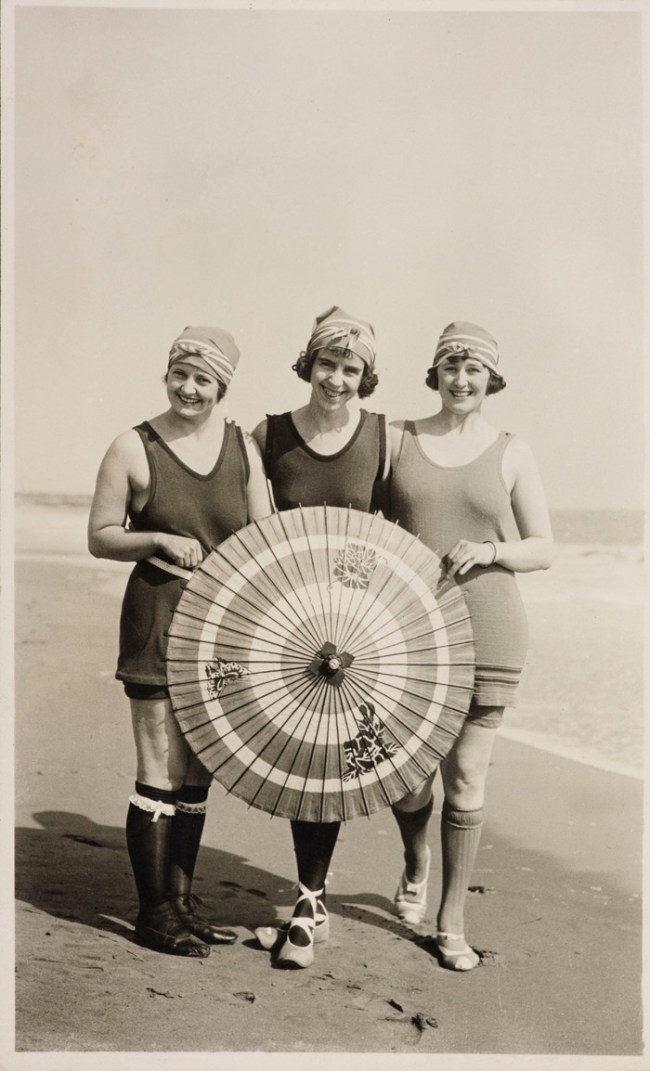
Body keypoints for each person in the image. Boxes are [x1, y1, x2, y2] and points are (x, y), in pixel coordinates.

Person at [88, 325, 271, 957]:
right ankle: (153, 911)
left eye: (204, 380)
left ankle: (184, 904)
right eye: (180, 375)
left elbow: (265, 537)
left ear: (223, 386)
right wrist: (158, 539)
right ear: (167, 375)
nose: (189, 388)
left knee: (198, 773)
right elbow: (101, 535)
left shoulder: (242, 447)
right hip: (157, 617)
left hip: (224, 630)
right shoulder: (132, 446)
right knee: (158, 769)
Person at [387, 320, 554, 970]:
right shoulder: (399, 439)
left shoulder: (513, 450)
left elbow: (544, 547)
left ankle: (451, 918)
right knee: (405, 776)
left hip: (491, 625)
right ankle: (415, 856)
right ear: (436, 372)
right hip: (406, 632)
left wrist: (491, 548)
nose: (461, 379)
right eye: (451, 366)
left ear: (491, 379)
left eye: (474, 369)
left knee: (467, 776)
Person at [251, 305, 389, 968]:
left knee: (332, 759)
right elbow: (253, 529)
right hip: (288, 619)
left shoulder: (384, 437)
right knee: (299, 752)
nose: (337, 378)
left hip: (357, 623)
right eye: (328, 363)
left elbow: (399, 531)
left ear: (366, 376)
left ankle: (310, 900)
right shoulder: (269, 433)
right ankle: (313, 899)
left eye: (351, 367)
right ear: (310, 363)